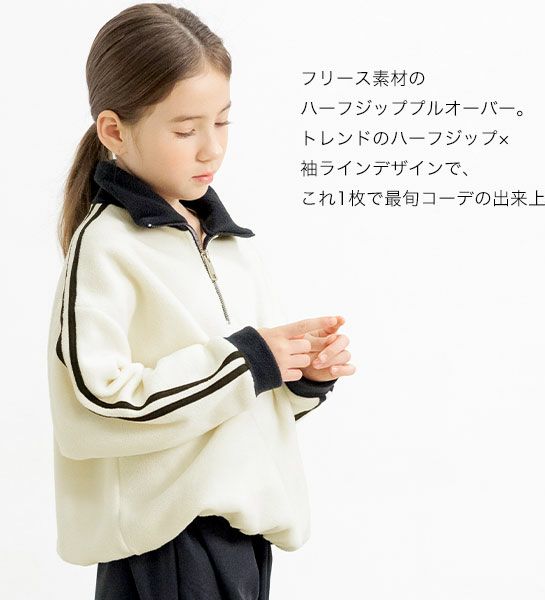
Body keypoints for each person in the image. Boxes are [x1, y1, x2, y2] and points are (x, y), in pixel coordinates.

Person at [46, 3, 355, 599]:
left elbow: (233, 404)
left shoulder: (232, 245)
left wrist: (300, 376)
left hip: (240, 537)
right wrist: (251, 360)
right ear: (114, 131)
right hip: (170, 542)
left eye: (223, 122)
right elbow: (99, 401)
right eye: (186, 130)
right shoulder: (107, 244)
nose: (211, 149)